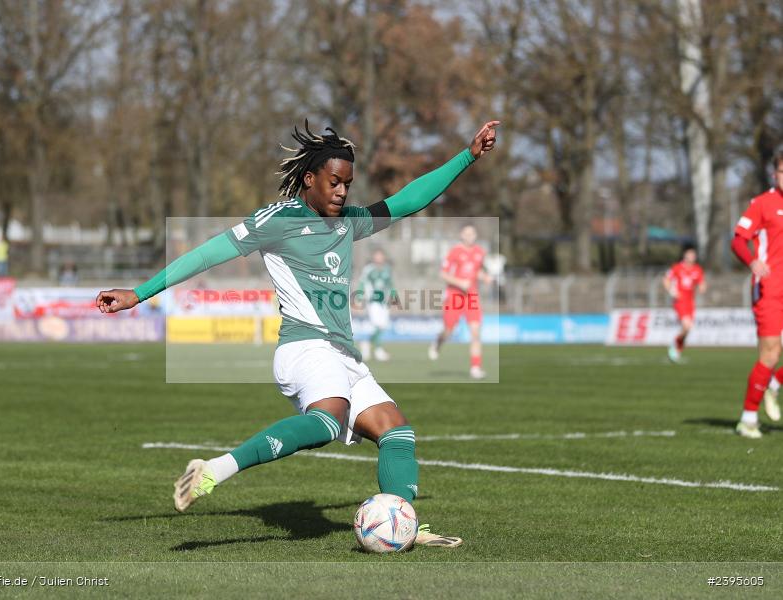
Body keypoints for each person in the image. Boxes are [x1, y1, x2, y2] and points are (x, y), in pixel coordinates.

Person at [97, 119, 500, 547]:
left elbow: (405, 202)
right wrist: (140, 293)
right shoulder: (279, 219)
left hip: (344, 355)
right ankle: (214, 470)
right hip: (305, 347)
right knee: (327, 421)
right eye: (334, 182)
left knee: (397, 432)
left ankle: (400, 521)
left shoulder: (348, 221)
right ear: (310, 179)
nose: (342, 192)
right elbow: (207, 253)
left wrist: (467, 156)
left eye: (348, 184)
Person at [730, 148, 783, 438]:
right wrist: (751, 261)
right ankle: (747, 419)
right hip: (770, 289)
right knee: (771, 353)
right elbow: (738, 240)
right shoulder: (763, 204)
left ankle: (773, 386)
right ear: (775, 174)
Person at [427, 224, 492, 379]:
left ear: (476, 235)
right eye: (466, 233)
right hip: (454, 295)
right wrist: (460, 282)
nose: (469, 236)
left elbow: (477, 271)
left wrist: (485, 277)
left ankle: (475, 367)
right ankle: (438, 342)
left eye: (472, 233)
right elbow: (443, 274)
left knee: (476, 333)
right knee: (449, 330)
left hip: (472, 296)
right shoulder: (454, 252)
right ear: (461, 235)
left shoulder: (479, 252)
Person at [662, 244, 706, 363]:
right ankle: (675, 344)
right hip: (680, 301)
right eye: (689, 254)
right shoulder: (676, 267)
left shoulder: (697, 269)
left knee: (688, 329)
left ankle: (677, 349)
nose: (692, 256)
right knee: (686, 326)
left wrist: (702, 287)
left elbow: (702, 283)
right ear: (685, 255)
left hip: (690, 302)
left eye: (693, 254)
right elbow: (666, 279)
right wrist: (672, 291)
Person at [358, 248, 395, 362]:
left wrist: (393, 299)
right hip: (373, 301)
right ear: (373, 257)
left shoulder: (387, 269)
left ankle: (366, 343)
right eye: (377, 255)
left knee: (382, 326)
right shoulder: (369, 269)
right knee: (377, 324)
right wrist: (359, 297)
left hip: (384, 302)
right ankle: (378, 351)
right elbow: (362, 282)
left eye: (381, 255)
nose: (379, 258)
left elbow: (391, 285)